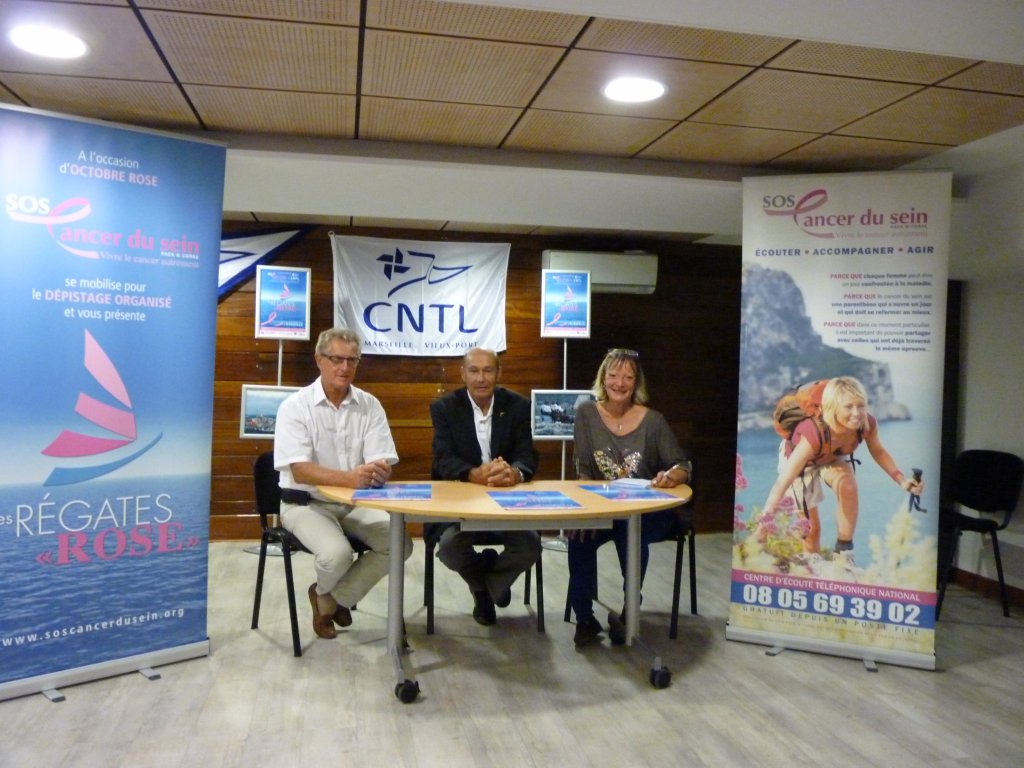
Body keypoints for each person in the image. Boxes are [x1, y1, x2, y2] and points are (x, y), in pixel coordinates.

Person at [274, 327, 413, 640]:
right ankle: (331, 596)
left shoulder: (369, 405)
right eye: (336, 359)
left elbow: (382, 459)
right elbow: (300, 470)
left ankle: (330, 599)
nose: (345, 367)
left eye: (352, 360)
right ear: (319, 360)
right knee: (338, 555)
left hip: (356, 502)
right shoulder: (294, 407)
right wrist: (351, 477)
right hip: (304, 504)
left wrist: (380, 471)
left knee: (399, 543)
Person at [567, 348, 692, 647]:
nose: (619, 383)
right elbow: (583, 471)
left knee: (629, 533)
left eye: (627, 377)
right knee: (578, 537)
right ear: (603, 379)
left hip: (645, 511)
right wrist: (586, 513)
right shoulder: (586, 413)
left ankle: (630, 610)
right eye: (613, 375)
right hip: (602, 509)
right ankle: (584, 618)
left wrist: (673, 475)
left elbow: (682, 465)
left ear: (637, 383)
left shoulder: (654, 421)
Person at [428, 347, 541, 626]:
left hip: (508, 503)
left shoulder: (518, 405)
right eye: (474, 371)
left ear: (498, 373)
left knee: (530, 545)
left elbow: (528, 455)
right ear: (463, 374)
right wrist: (473, 474)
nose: (481, 378)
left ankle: (485, 588)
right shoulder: (444, 407)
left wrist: (514, 473)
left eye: (488, 370)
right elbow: (443, 459)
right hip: (461, 505)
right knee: (450, 547)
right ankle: (488, 586)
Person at [762, 375, 924, 559]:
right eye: (848, 407)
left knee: (848, 485)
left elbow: (878, 452)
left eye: (861, 405)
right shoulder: (813, 433)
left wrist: (902, 481)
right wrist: (764, 524)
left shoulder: (866, 424)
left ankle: (843, 551)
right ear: (833, 408)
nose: (856, 413)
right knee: (811, 528)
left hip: (832, 456)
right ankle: (811, 567)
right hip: (801, 462)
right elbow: (782, 483)